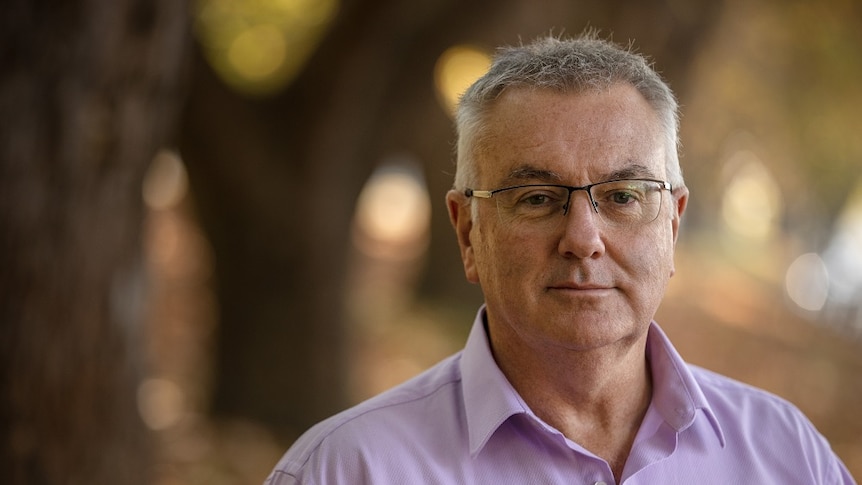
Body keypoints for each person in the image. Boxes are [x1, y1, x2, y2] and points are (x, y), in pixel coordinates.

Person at [265, 33, 856, 484]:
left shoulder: (786, 456)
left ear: (672, 226)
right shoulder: (347, 469)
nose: (583, 238)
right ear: (468, 232)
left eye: (623, 196)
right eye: (538, 199)